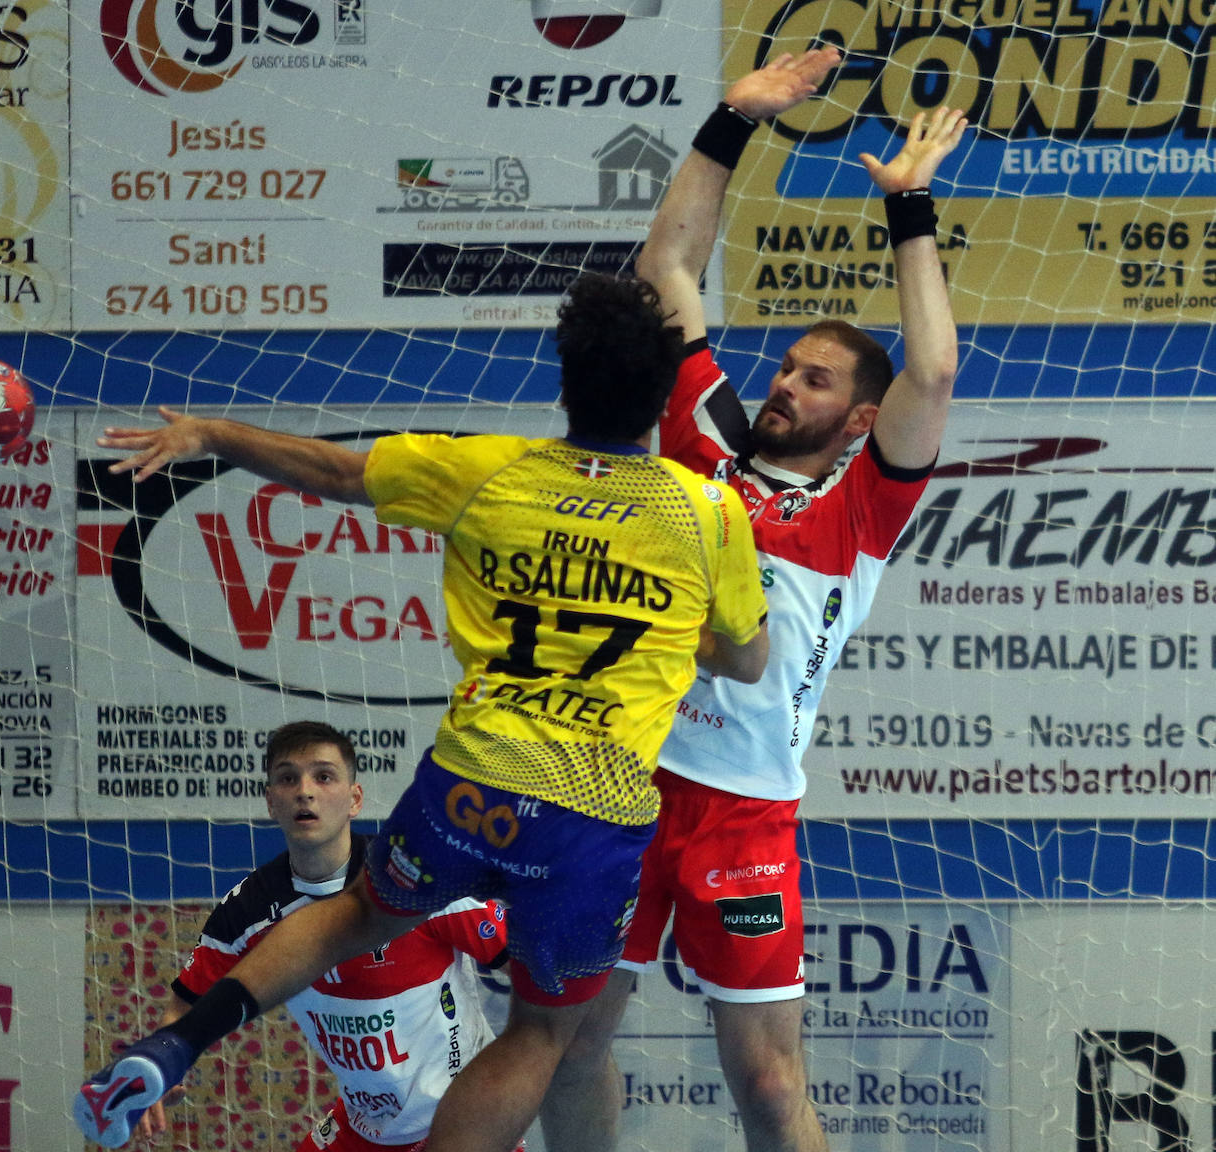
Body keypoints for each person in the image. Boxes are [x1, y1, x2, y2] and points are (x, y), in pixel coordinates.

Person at [74, 271, 770, 1152]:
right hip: (593, 811)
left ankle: (179, 1042)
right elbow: (748, 660)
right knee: (544, 1034)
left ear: (563, 385)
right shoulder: (706, 510)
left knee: (366, 909)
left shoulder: (492, 469)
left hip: (472, 779)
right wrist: (673, 631)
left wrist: (207, 430)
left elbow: (333, 468)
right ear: (667, 398)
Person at [538, 52, 969, 1152]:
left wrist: (908, 207)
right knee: (574, 1043)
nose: (784, 384)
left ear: (859, 419)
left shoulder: (863, 508)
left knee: (772, 1087)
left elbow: (934, 370)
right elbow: (667, 266)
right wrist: (732, 117)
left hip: (746, 811)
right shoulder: (706, 440)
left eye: (816, 379)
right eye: (785, 366)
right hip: (620, 776)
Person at [129, 720, 513, 1152]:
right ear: (271, 801)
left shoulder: (417, 880)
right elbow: (183, 1008)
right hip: (366, 1127)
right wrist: (161, 1068)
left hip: (465, 1122)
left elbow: (530, 969)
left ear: (355, 799)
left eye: (324, 776)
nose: (305, 791)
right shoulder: (246, 912)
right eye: (288, 778)